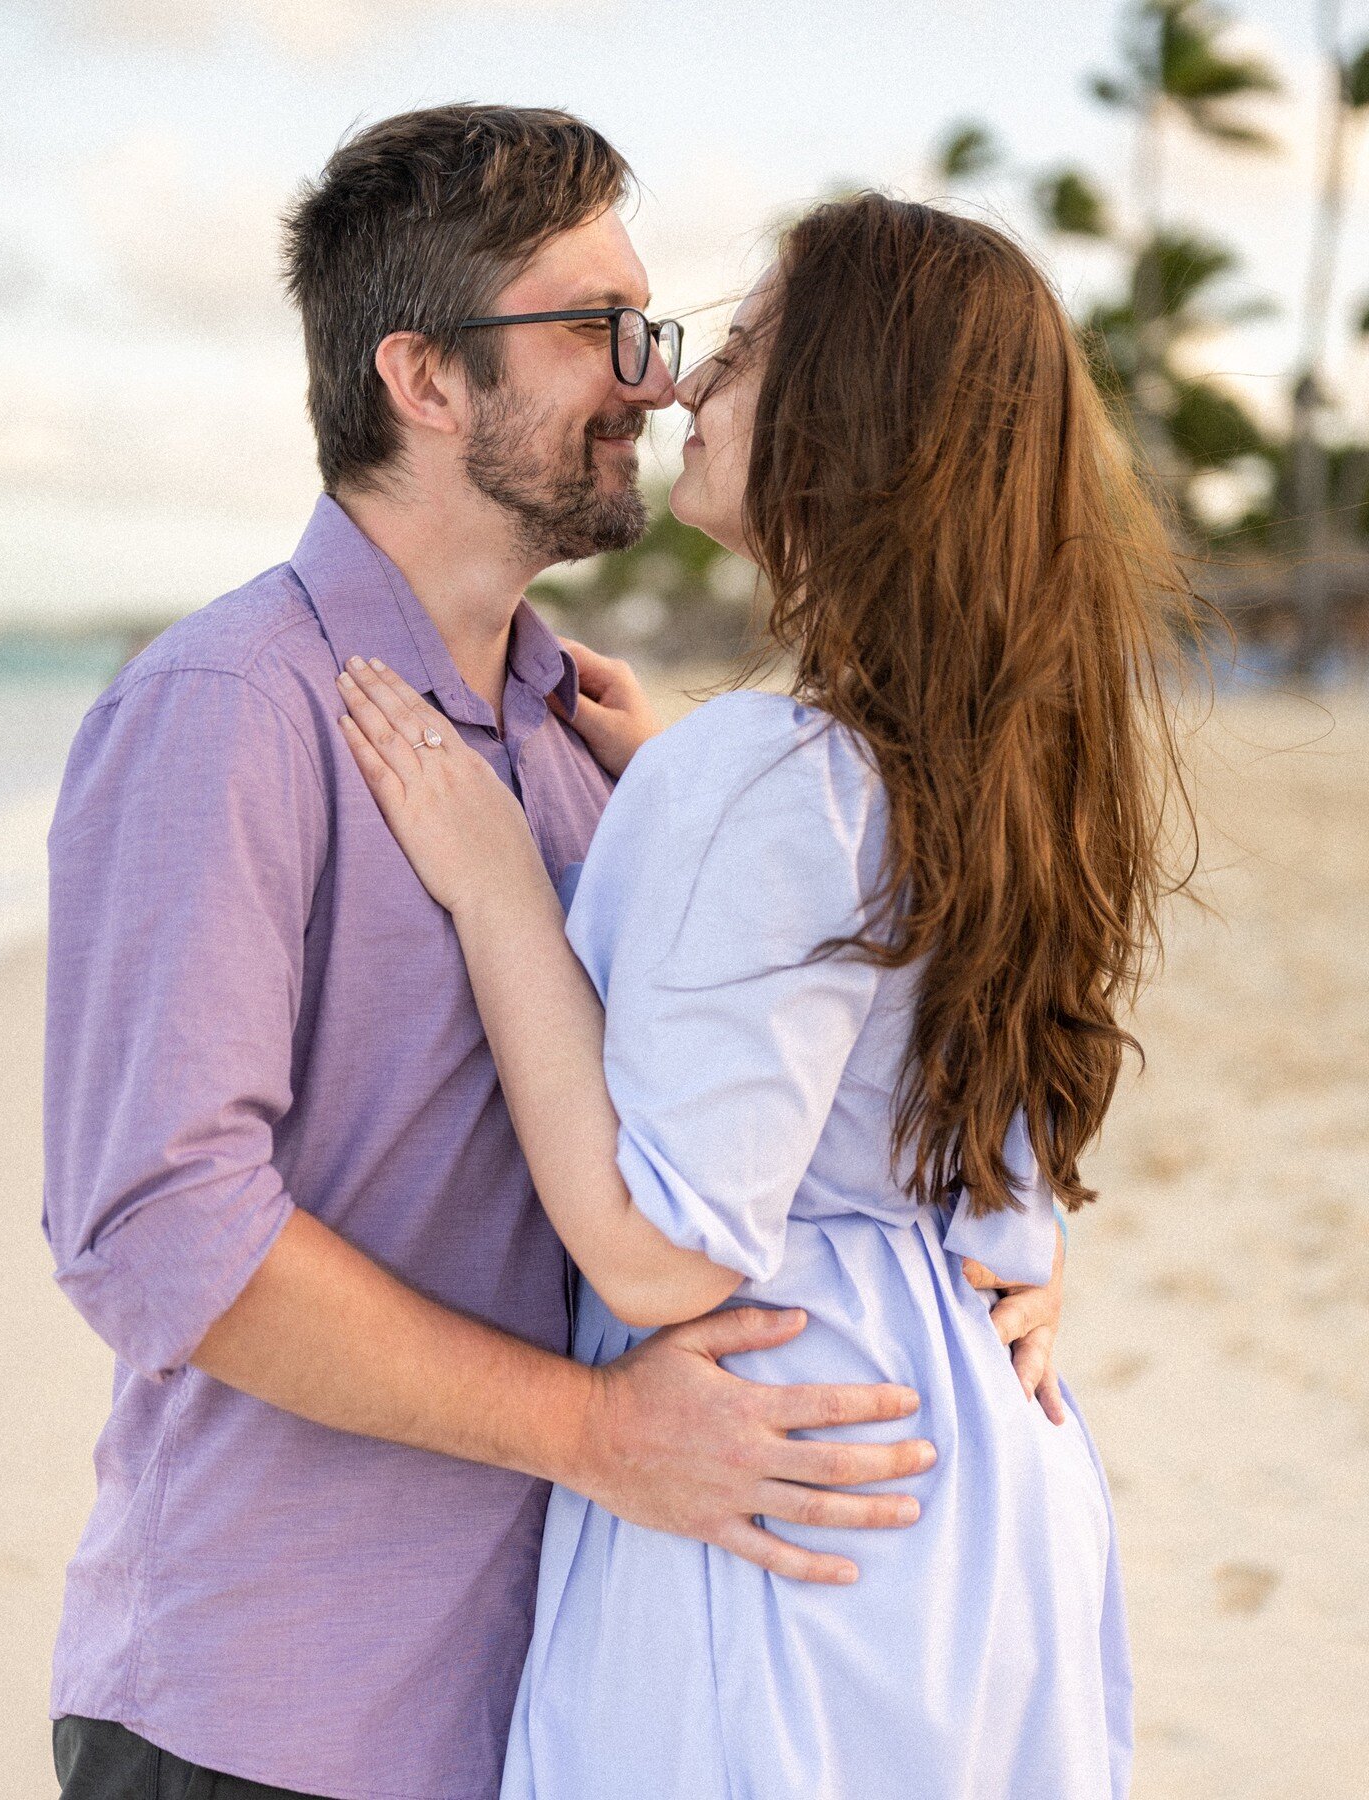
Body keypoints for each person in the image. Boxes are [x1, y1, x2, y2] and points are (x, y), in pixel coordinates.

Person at [41, 112, 1067, 1800]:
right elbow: (157, 1231)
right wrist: (598, 1435)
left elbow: (758, 1078)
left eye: (655, 334)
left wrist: (992, 1246)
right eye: (598, 330)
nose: (655, 384)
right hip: (277, 1705)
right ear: (425, 381)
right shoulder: (230, 709)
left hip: (559, 1689)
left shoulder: (583, 738)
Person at [335, 192, 1203, 1799]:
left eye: (733, 355)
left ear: (840, 421)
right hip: (982, 1494)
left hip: (784, 1498)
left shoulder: (771, 777)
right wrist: (681, 790)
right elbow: (882, 1033)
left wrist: (501, 886)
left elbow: (666, 1252)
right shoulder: (983, 765)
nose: (678, 388)